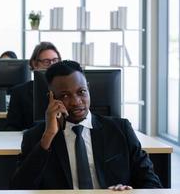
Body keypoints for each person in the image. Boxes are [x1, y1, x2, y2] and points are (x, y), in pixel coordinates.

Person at [10, 61, 162, 190]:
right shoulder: (36, 137)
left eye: (81, 92)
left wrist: (130, 191)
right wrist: (48, 136)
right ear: (51, 98)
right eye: (64, 95)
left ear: (88, 88)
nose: (76, 101)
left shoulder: (120, 129)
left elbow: (152, 183)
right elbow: (19, 189)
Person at [5, 42, 61, 131]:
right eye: (46, 61)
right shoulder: (19, 92)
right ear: (35, 64)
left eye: (55, 60)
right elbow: (11, 127)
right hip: (31, 142)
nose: (52, 65)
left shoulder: (68, 91)